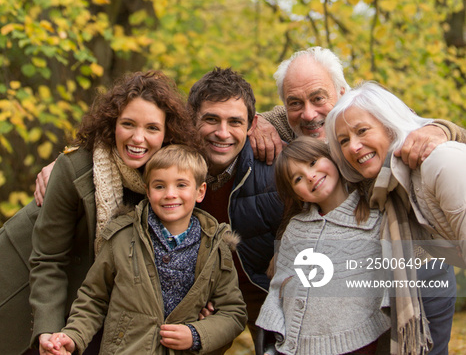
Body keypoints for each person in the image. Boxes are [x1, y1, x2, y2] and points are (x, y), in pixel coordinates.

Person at [0, 70, 202, 355]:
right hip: (29, 290)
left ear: (168, 133)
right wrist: (49, 330)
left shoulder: (170, 182)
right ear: (112, 125)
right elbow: (48, 259)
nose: (138, 138)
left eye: (152, 128)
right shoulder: (76, 168)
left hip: (99, 312)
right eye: (128, 124)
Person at [42, 145, 247, 355]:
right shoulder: (122, 237)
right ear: (147, 191)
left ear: (200, 191)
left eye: (181, 185)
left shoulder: (215, 248)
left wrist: (196, 334)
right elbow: (94, 298)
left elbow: (233, 313)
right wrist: (73, 335)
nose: (170, 194)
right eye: (159, 186)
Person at [326, 82, 466, 355]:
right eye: (344, 140)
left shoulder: (439, 162)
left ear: (390, 126)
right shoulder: (383, 184)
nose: (353, 146)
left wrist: (443, 128)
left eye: (362, 131)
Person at [255, 137, 393, 355]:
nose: (310, 176)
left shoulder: (376, 221)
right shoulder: (295, 229)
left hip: (358, 345)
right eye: (298, 178)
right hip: (293, 347)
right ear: (296, 193)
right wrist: (271, 335)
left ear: (333, 158)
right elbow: (279, 286)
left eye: (312, 163)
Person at [188, 67, 284, 335]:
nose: (222, 132)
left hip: (264, 291)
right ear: (191, 119)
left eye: (235, 122)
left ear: (252, 125)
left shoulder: (279, 168)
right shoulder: (171, 165)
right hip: (202, 295)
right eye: (211, 119)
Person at [252, 48, 466, 166]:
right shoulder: (283, 123)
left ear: (342, 93)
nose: (308, 115)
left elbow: (455, 137)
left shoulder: (374, 117)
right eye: (295, 103)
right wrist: (255, 122)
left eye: (318, 98)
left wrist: (441, 130)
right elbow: (236, 119)